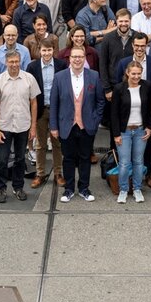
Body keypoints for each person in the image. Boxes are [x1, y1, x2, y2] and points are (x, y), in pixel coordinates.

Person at [49, 47, 106, 203]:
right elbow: (54, 103)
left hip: (87, 125)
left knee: (85, 158)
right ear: (69, 59)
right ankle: (68, 189)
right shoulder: (59, 77)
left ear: (84, 58)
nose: (77, 59)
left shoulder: (93, 76)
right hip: (66, 126)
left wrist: (95, 119)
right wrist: (54, 126)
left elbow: (100, 101)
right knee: (68, 158)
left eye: (80, 56)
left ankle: (84, 189)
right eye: (74, 56)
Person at [0, 51, 38, 204]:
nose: (14, 64)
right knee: (2, 160)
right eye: (11, 62)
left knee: (20, 159)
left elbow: (34, 103)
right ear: (6, 62)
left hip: (23, 125)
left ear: (20, 61)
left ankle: (18, 187)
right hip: (5, 126)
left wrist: (33, 127)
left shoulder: (29, 79)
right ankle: (1, 188)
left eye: (17, 61)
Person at [111, 61, 151, 204]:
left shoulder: (147, 86)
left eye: (139, 73)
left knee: (138, 161)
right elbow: (114, 114)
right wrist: (116, 134)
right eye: (133, 73)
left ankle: (137, 189)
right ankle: (123, 189)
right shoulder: (119, 88)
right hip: (124, 131)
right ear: (127, 73)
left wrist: (149, 127)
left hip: (141, 130)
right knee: (124, 163)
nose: (136, 76)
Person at [26, 39, 66, 188]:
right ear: (39, 50)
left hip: (57, 109)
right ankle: (40, 173)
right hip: (40, 109)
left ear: (53, 50)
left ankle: (58, 173)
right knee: (40, 144)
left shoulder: (61, 65)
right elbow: (29, 90)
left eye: (49, 50)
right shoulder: (32, 67)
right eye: (44, 50)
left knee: (57, 143)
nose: (47, 53)